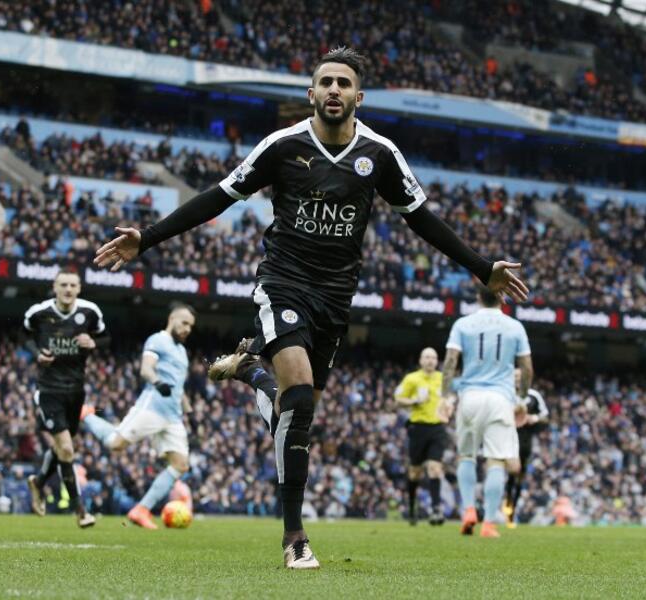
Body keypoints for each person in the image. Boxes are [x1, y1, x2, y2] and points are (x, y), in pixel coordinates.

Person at [93, 47, 528, 568]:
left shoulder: (381, 154)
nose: (335, 90)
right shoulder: (282, 146)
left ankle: (254, 374)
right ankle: (294, 536)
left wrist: (483, 268)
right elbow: (219, 196)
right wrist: (148, 237)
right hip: (282, 284)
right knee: (298, 398)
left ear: (358, 96)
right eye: (326, 82)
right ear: (312, 93)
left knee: (296, 412)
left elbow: (422, 219)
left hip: (335, 298)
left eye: (344, 83)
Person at [80, 304, 195, 530]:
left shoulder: (182, 352)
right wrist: (157, 382)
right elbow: (146, 369)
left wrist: (189, 411)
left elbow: (179, 387)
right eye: (184, 322)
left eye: (190, 325)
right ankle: (87, 415)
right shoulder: (157, 340)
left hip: (173, 416)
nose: (187, 328)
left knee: (180, 465)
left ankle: (141, 510)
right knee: (116, 444)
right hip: (152, 406)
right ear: (171, 318)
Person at [441, 287, 534, 538]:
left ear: (477, 297)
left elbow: (450, 362)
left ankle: (469, 509)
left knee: (466, 456)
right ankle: (489, 523)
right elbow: (526, 367)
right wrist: (522, 399)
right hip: (500, 398)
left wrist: (445, 396)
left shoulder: (463, 323)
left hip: (469, 396)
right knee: (496, 461)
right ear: (502, 298)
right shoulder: (515, 327)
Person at [23, 269, 108, 528]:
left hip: (76, 392)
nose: (68, 289)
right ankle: (80, 511)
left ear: (79, 288)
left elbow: (106, 338)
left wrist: (93, 343)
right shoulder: (38, 313)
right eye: (63, 285)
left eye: (73, 285)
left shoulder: (90, 312)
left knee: (63, 447)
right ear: (55, 287)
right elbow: (23, 336)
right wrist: (37, 352)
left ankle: (38, 482)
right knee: (67, 449)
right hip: (48, 390)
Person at [394, 348, 446, 526]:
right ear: (421, 360)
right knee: (415, 472)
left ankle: (436, 509)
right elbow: (398, 399)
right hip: (418, 428)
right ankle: (411, 507)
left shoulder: (442, 378)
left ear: (437, 360)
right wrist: (414, 400)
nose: (430, 360)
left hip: (438, 427)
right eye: (427, 357)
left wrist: (450, 405)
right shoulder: (412, 379)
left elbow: (451, 397)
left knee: (435, 468)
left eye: (433, 357)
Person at [503, 370, 548, 528]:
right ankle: (504, 505)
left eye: (520, 377)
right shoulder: (504, 394)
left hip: (524, 441)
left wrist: (534, 418)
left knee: (519, 475)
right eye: (514, 377)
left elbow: (545, 416)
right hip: (504, 438)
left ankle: (511, 510)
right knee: (507, 472)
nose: (517, 380)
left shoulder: (533, 396)